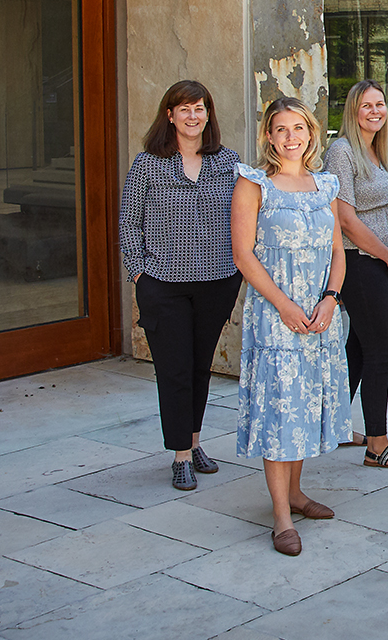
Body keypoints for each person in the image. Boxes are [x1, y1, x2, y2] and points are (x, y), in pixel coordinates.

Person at [231, 98, 351, 557]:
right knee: (280, 410)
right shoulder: (253, 183)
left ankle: (298, 494)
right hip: (275, 316)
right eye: (280, 129)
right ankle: (281, 514)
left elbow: (338, 252)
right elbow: (245, 256)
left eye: (298, 127)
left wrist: (330, 299)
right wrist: (283, 305)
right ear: (268, 135)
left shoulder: (326, 185)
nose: (290, 137)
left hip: (320, 317)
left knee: (305, 406)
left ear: (311, 132)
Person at [120, 80, 243, 492]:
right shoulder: (148, 164)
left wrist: (237, 272)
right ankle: (180, 456)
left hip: (216, 282)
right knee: (174, 371)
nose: (193, 116)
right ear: (169, 115)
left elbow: (244, 218)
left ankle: (193, 442)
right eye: (184, 108)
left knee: (199, 368)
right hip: (163, 285)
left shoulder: (229, 162)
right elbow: (128, 224)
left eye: (200, 107)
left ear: (209, 114)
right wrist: (138, 272)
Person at [323, 80, 388, 471]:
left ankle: (333, 423)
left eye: (380, 104)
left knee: (359, 347)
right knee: (382, 350)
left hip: (387, 263)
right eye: (367, 106)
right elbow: (344, 218)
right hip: (360, 264)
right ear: (353, 110)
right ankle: (377, 445)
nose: (375, 111)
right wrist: (387, 256)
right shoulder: (342, 153)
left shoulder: (377, 151)